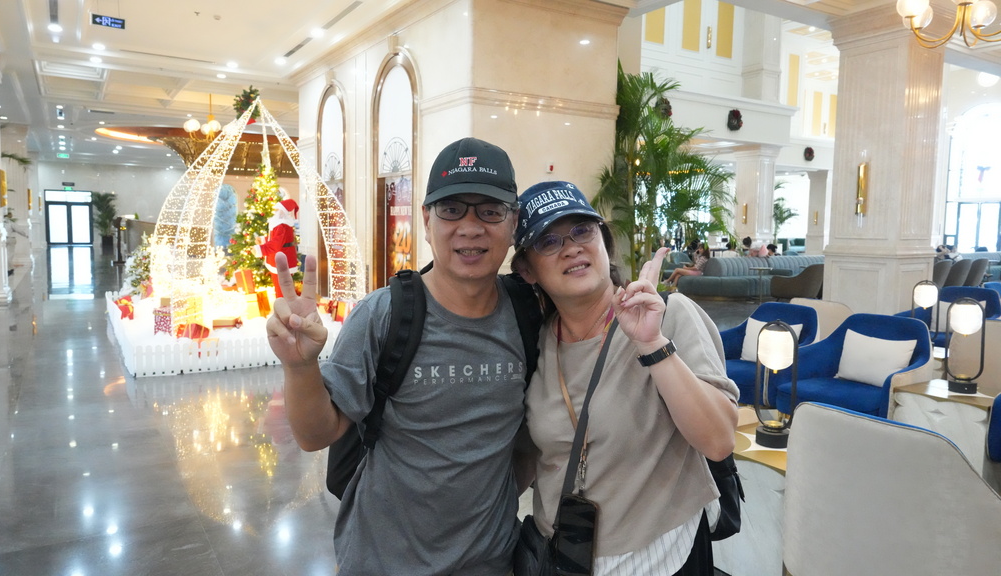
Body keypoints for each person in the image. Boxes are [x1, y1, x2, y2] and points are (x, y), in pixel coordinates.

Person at [267, 137, 534, 575]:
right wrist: (300, 367)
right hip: (382, 561)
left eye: (490, 211)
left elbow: (527, 442)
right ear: (426, 220)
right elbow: (316, 435)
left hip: (492, 562)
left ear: (513, 222)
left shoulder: (527, 315)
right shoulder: (382, 316)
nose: (470, 227)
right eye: (452, 210)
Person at [511, 180, 738, 576]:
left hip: (661, 556)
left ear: (604, 242)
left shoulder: (668, 315)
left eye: (582, 231)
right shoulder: (536, 341)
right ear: (527, 270)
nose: (572, 247)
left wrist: (652, 344)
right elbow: (535, 457)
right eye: (548, 241)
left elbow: (719, 441)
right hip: (562, 555)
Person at [256, 197, 299, 298]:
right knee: (282, 287)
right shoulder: (281, 224)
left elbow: (276, 243)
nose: (274, 212)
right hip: (283, 258)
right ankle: (283, 305)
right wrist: (263, 240)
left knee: (282, 289)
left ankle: (283, 306)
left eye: (276, 210)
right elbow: (277, 239)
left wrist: (260, 249)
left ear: (281, 211)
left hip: (282, 259)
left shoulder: (281, 225)